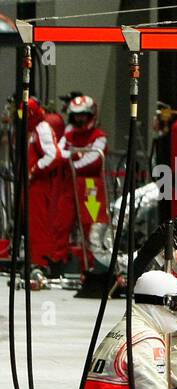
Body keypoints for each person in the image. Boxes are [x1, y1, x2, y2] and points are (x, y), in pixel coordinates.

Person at [55, 95, 109, 271]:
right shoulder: (69, 134)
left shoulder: (99, 137)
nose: (79, 119)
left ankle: (93, 268)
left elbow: (93, 160)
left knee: (91, 226)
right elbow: (60, 153)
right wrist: (73, 159)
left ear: (90, 115)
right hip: (69, 186)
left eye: (83, 115)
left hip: (91, 188)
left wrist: (73, 162)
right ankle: (58, 263)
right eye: (76, 115)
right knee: (61, 223)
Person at [26, 97, 68, 274]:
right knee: (33, 224)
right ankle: (36, 261)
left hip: (40, 184)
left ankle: (41, 263)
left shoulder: (42, 128)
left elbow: (53, 155)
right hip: (33, 184)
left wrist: (35, 169)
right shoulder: (33, 129)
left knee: (39, 224)